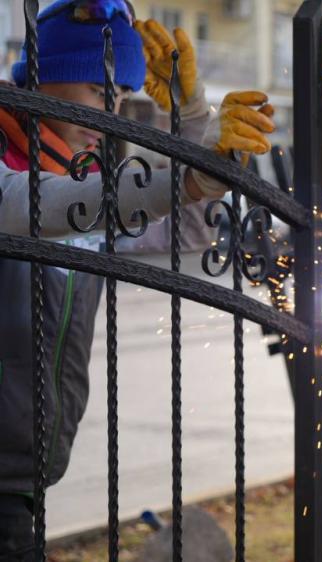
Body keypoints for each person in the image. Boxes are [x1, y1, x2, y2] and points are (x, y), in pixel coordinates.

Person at [0, 1, 275, 559]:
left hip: (27, 471)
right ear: (42, 77)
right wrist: (186, 173)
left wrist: (193, 119)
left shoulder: (90, 180)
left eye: (121, 95)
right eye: (93, 86)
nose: (110, 106)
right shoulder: (20, 172)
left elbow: (188, 228)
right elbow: (44, 206)